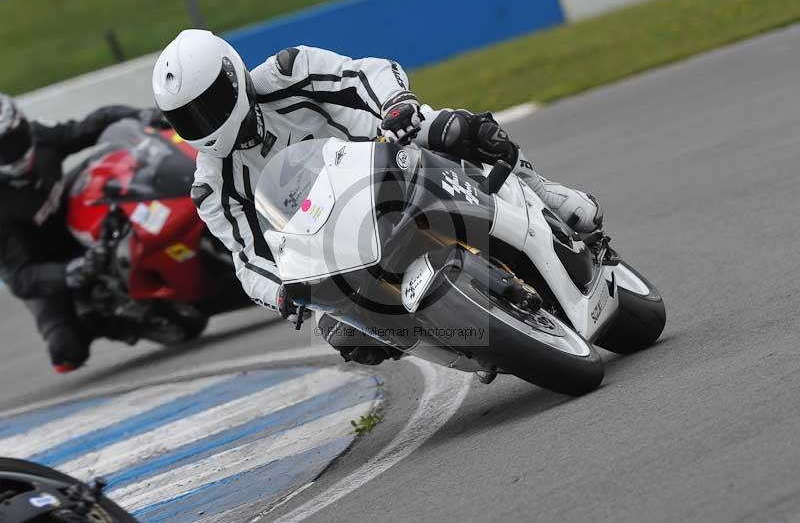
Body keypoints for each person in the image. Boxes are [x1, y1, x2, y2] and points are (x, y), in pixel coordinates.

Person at [152, 29, 603, 365]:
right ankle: (464, 344)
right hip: (336, 245)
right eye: (188, 117)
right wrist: (282, 293)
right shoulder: (212, 185)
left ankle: (547, 195)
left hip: (391, 157)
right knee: (343, 335)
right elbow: (247, 256)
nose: (204, 121)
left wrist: (396, 104)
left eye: (210, 103)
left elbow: (363, 73)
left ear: (233, 76)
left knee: (455, 129)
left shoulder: (289, 71)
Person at [0, 94, 156, 372]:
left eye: (13, 138)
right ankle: (114, 318)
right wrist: (70, 271)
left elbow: (91, 125)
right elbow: (20, 278)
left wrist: (142, 116)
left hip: (73, 217)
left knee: (108, 166)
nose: (11, 152)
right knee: (66, 353)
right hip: (44, 265)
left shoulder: (40, 138)